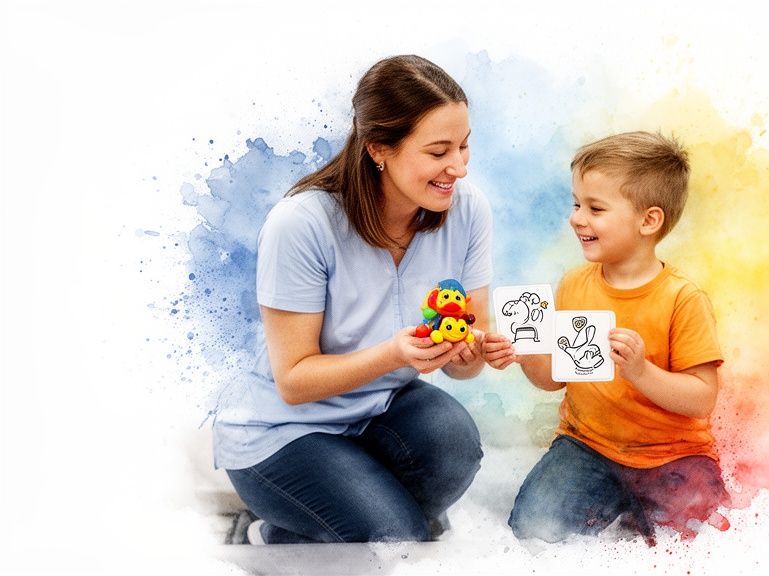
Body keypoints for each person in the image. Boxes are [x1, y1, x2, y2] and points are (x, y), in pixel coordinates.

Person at [212, 55, 492, 544]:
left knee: (454, 442)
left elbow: (465, 364)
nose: (459, 168)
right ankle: (277, 528)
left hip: (379, 407)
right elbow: (295, 381)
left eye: (465, 147)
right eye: (439, 151)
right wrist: (393, 354)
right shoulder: (302, 223)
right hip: (281, 431)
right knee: (393, 539)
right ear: (379, 148)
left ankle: (325, 521)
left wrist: (473, 353)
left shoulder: (466, 210)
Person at [484, 132, 728, 544]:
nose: (577, 218)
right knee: (533, 529)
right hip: (587, 446)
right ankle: (616, 505)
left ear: (648, 221)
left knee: (691, 538)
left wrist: (640, 371)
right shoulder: (573, 285)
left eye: (595, 208)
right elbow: (553, 379)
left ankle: (643, 514)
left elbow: (702, 397)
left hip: (673, 455)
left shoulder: (682, 299)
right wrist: (524, 350)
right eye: (577, 204)